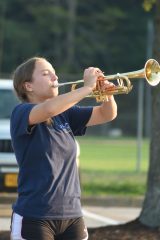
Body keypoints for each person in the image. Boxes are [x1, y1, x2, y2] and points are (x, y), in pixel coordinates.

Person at [10, 56, 117, 240]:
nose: (55, 77)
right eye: (46, 73)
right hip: (35, 216)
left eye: (54, 72)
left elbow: (107, 114)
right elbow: (48, 110)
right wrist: (87, 88)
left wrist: (106, 94)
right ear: (28, 86)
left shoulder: (65, 114)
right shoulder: (21, 112)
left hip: (72, 215)